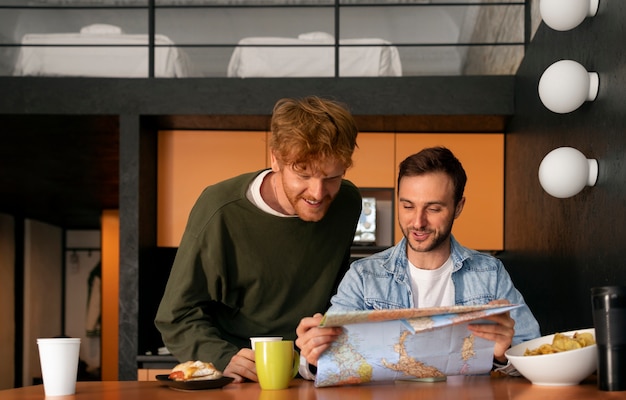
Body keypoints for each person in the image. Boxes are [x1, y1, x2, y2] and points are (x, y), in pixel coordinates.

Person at [155, 96, 362, 383]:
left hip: (310, 372)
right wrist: (223, 358)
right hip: (236, 376)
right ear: (275, 158)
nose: (317, 192)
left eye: (332, 176)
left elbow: (339, 292)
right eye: (303, 173)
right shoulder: (219, 210)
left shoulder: (348, 203)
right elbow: (175, 315)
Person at [295, 146, 540, 378]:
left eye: (433, 209)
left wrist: (502, 356)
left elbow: (535, 355)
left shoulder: (490, 273)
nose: (418, 222)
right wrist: (315, 356)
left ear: (458, 207)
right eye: (408, 206)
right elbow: (326, 362)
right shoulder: (363, 276)